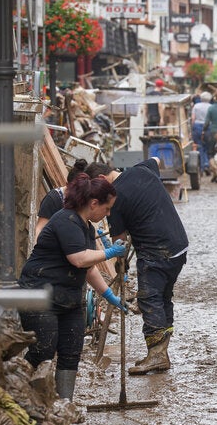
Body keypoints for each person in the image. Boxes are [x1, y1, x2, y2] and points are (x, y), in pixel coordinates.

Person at [18, 174, 128, 400]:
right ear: (93, 203)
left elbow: (88, 269)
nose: (107, 215)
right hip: (40, 295)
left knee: (70, 353)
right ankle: (18, 391)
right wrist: (109, 252)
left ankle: (64, 404)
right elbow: (79, 259)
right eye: (107, 209)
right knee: (43, 350)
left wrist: (109, 296)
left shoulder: (85, 227)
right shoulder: (64, 220)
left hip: (68, 299)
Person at [86, 159, 189, 375]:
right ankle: (161, 352)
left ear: (102, 180)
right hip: (178, 246)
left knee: (149, 299)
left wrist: (120, 265)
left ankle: (157, 355)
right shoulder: (142, 168)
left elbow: (119, 242)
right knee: (162, 298)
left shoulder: (114, 200)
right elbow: (156, 160)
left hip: (156, 252)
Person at [35, 158, 87, 239]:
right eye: (74, 190)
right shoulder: (54, 198)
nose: (77, 195)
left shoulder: (82, 200)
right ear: (67, 184)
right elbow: (40, 228)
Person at [191, 91, 212, 174]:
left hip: (197, 126)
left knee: (199, 146)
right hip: (208, 127)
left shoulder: (196, 106)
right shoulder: (211, 107)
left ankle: (202, 166)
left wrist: (192, 129)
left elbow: (193, 118)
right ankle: (207, 164)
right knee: (207, 146)